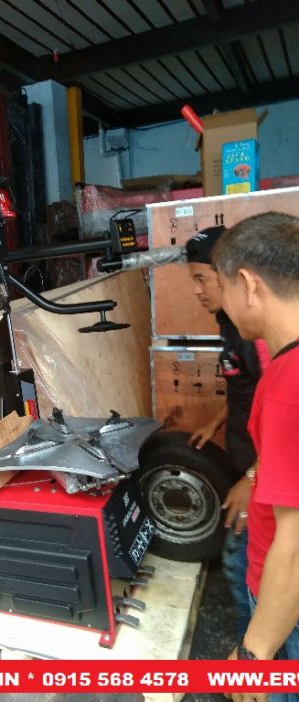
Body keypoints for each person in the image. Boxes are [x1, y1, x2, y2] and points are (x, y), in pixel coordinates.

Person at [213, 212, 299, 702]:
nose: (223, 303)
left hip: (287, 607)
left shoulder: (288, 383)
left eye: (222, 286)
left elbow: (297, 540)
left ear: (248, 284)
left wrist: (255, 653)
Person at [185, 226, 265, 640]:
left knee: (242, 568)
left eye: (202, 279)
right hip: (251, 466)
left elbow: (287, 414)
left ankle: (257, 657)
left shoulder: (257, 336)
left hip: (267, 477)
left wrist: (253, 477)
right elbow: (245, 388)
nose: (196, 291)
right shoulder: (229, 323)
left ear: (230, 274)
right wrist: (216, 421)